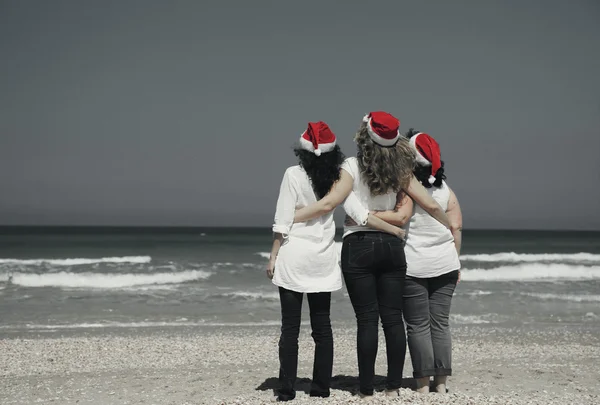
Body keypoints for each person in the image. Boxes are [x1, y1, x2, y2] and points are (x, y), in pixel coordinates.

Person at [293, 112, 452, 399]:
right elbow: (429, 203)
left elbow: (329, 202)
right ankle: (392, 387)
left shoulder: (350, 166)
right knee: (392, 319)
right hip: (391, 246)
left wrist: (292, 217)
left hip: (358, 246)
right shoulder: (401, 170)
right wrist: (449, 224)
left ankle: (366, 389)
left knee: (366, 320)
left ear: (365, 136)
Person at [267, 121, 405, 402]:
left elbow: (282, 220)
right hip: (322, 259)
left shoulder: (292, 174)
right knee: (322, 328)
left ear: (302, 150)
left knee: (290, 327)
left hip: (294, 256)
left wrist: (273, 254)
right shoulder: (338, 177)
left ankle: (287, 389)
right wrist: (393, 229)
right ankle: (320, 388)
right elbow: (360, 214)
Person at [369, 129, 463, 394]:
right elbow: (457, 227)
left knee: (418, 325)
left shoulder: (407, 186)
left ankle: (422, 384)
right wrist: (456, 261)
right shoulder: (446, 190)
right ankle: (441, 384)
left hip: (414, 265)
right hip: (446, 263)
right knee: (440, 323)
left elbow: (400, 217)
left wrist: (367, 213)